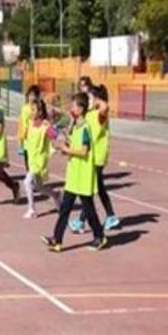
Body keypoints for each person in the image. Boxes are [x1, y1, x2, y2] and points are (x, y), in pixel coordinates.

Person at [43, 93, 108, 252]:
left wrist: (68, 150)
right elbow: (71, 146)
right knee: (64, 209)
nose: (71, 109)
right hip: (73, 176)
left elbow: (84, 151)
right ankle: (57, 240)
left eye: (73, 106)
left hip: (84, 176)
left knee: (89, 210)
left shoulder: (86, 127)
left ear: (80, 108)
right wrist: (61, 147)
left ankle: (99, 236)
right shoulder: (74, 127)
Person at [70, 84, 119, 232]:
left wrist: (98, 101)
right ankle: (110, 216)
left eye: (90, 97)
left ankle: (81, 221)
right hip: (91, 157)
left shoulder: (99, 113)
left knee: (89, 190)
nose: (88, 100)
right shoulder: (89, 114)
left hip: (97, 157)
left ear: (97, 99)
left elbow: (105, 107)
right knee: (98, 188)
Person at [21, 98, 61, 218]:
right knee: (38, 186)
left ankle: (32, 209)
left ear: (39, 112)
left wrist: (51, 125)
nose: (31, 111)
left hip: (40, 160)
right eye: (30, 109)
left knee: (27, 182)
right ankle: (56, 195)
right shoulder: (29, 122)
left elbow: (55, 135)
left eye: (33, 109)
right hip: (32, 159)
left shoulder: (44, 125)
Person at [18, 85, 41, 168]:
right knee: (28, 162)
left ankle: (33, 179)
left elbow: (43, 122)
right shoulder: (25, 108)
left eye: (34, 95)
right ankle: (31, 178)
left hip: (37, 139)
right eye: (30, 95)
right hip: (27, 139)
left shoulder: (40, 108)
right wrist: (21, 139)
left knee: (36, 161)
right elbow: (22, 123)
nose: (31, 98)